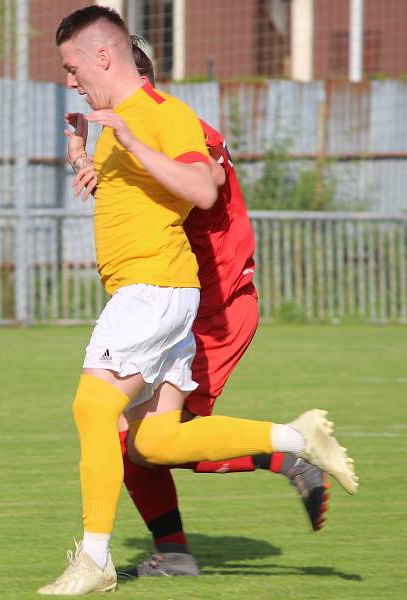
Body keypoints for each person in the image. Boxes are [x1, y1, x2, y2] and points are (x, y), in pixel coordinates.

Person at [39, 6, 357, 596]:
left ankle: (98, 560)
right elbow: (142, 193)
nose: (71, 81)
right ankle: (291, 443)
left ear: (107, 58)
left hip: (189, 293)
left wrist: (131, 141)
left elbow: (202, 186)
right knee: (152, 441)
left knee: (97, 413)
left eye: (72, 67)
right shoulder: (121, 125)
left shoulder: (160, 118)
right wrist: (86, 160)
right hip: (171, 292)